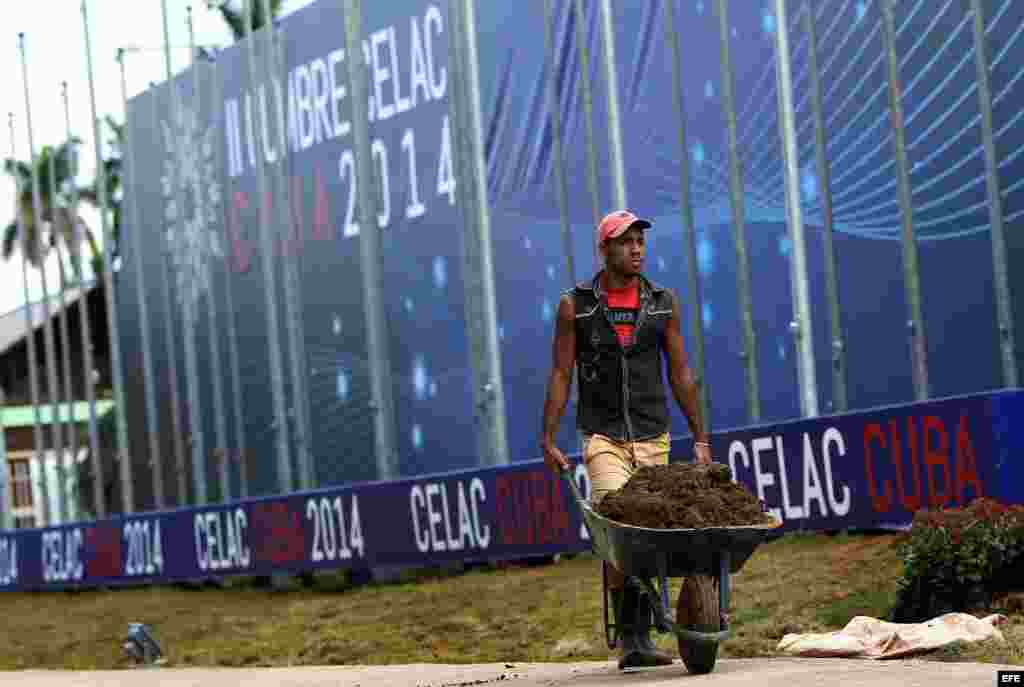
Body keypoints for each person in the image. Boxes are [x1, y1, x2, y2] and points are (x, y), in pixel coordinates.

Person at [540, 209, 711, 670]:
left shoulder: (662, 303)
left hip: (653, 435)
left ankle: (663, 618)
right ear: (604, 249)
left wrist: (700, 438)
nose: (636, 249)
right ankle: (634, 636)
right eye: (625, 241)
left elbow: (681, 373)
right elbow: (560, 372)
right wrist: (548, 435)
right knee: (619, 528)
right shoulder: (576, 306)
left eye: (640, 241)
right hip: (603, 437)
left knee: (655, 533)